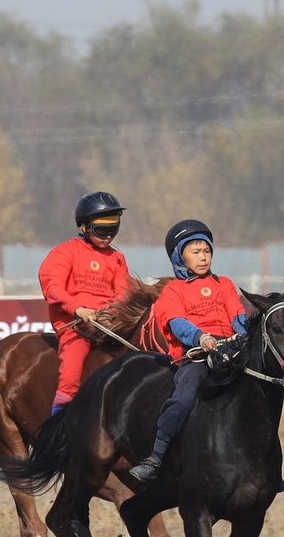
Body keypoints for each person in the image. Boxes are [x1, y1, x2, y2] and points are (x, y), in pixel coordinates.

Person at [126, 219, 253, 487]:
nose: (203, 257)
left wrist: (243, 334)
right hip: (196, 355)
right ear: (179, 257)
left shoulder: (225, 284)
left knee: (258, 395)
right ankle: (155, 458)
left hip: (230, 350)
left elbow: (237, 315)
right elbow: (177, 322)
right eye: (195, 252)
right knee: (183, 400)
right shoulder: (173, 290)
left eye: (206, 251)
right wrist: (201, 337)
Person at [37, 190, 133, 411]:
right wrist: (78, 309)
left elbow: (125, 294)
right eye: (102, 230)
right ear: (85, 227)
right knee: (71, 374)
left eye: (113, 229)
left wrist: (114, 315)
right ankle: (58, 421)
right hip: (76, 327)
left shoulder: (117, 258)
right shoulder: (65, 252)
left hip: (109, 326)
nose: (108, 236)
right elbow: (52, 288)